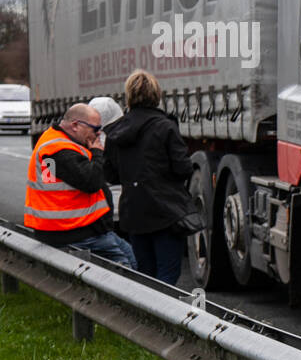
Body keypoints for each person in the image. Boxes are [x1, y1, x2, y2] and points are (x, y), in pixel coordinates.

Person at [103, 70, 193, 284]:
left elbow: (110, 174)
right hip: (166, 212)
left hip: (133, 212)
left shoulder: (116, 132)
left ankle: (145, 315)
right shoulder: (166, 127)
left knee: (145, 273)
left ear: (129, 97)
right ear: (157, 95)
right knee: (167, 275)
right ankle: (162, 316)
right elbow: (183, 168)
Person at [24, 103, 138, 268]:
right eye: (95, 128)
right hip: (77, 232)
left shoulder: (52, 141)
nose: (99, 133)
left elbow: (51, 181)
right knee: (129, 271)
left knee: (132, 259)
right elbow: (92, 181)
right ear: (76, 125)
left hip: (67, 229)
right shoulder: (60, 150)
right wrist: (98, 153)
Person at [88, 96, 125, 219]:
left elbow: (48, 182)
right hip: (121, 208)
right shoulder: (122, 139)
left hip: (95, 212)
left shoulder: (48, 146)